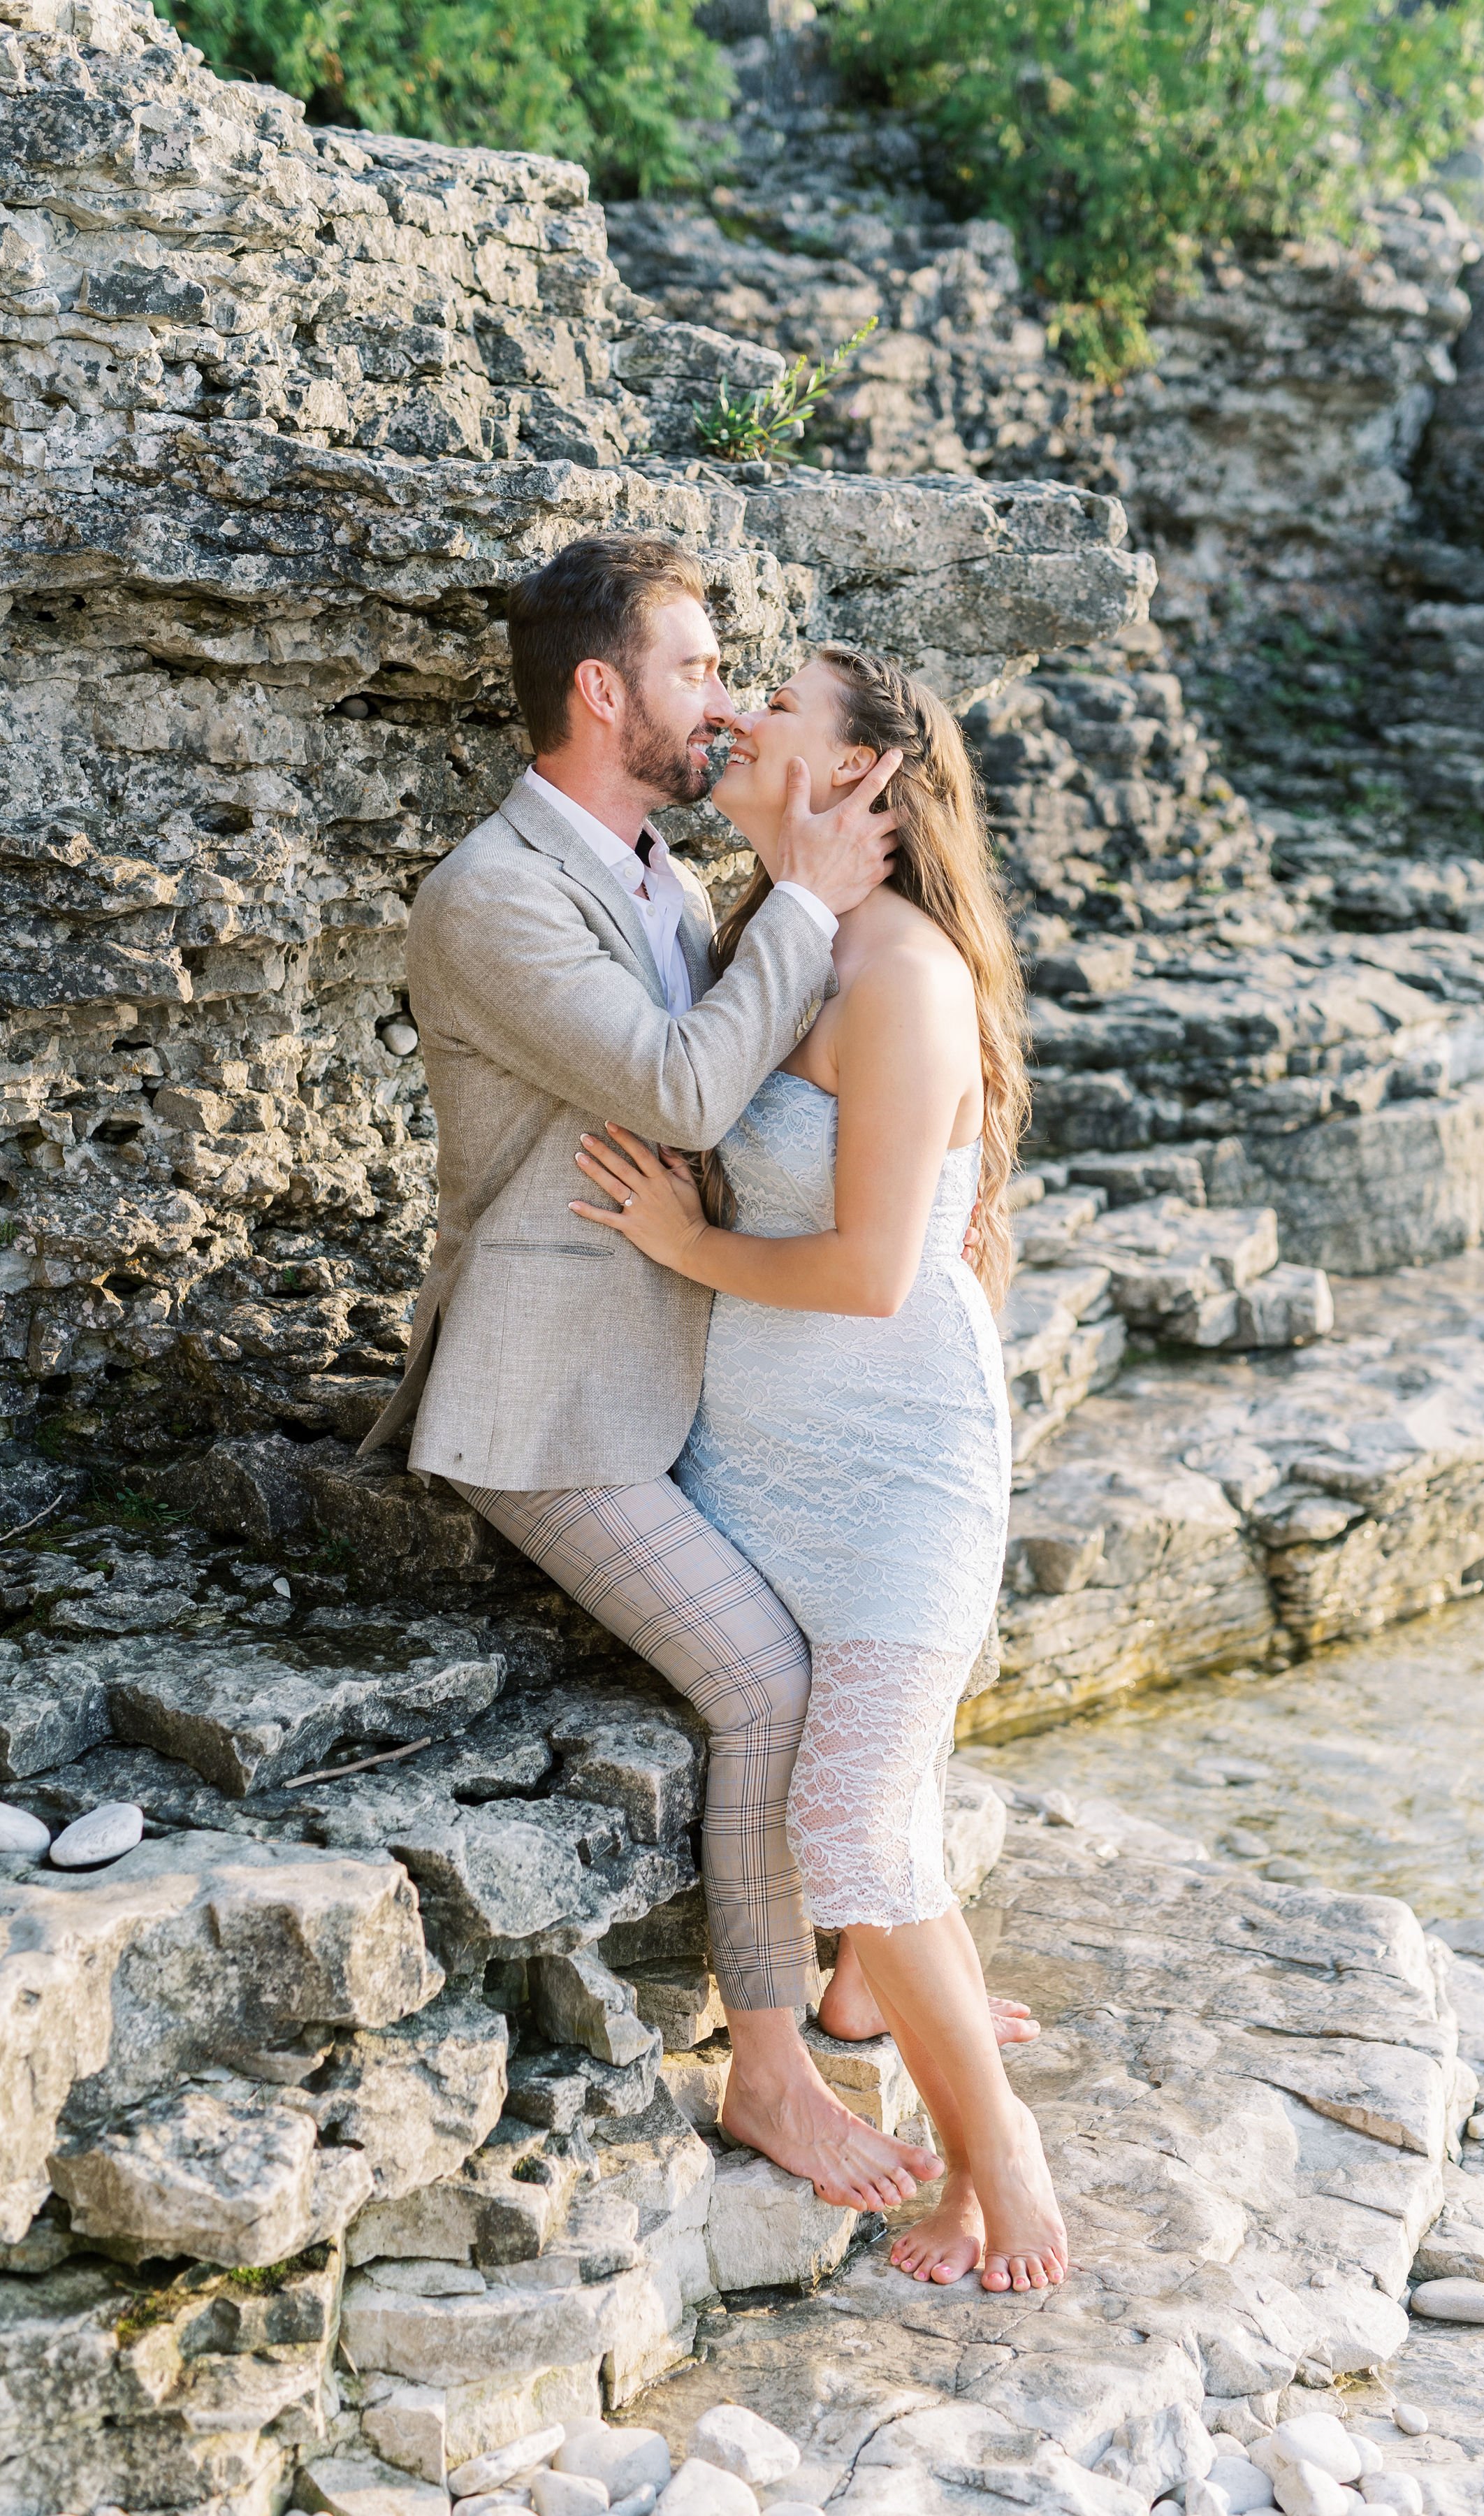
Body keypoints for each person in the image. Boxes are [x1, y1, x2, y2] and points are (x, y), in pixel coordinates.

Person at [361, 533, 943, 2215]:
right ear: (600, 688)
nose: (723, 698)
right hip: (545, 1406)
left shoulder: (664, 878)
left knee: (874, 1615)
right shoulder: (486, 895)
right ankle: (765, 2078)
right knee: (763, 1680)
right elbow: (684, 1091)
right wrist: (820, 902)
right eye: (696, 667)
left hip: (686, 1381)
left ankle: (881, 1975)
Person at [569, 646, 1069, 2292]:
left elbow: (870, 1272)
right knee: (856, 1793)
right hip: (745, 1458)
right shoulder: (792, 934)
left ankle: (1002, 2169)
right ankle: (864, 1996)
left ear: (860, 772)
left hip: (891, 1475)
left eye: (776, 702)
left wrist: (679, 1242)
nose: (740, 715)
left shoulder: (903, 975)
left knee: (854, 1812)